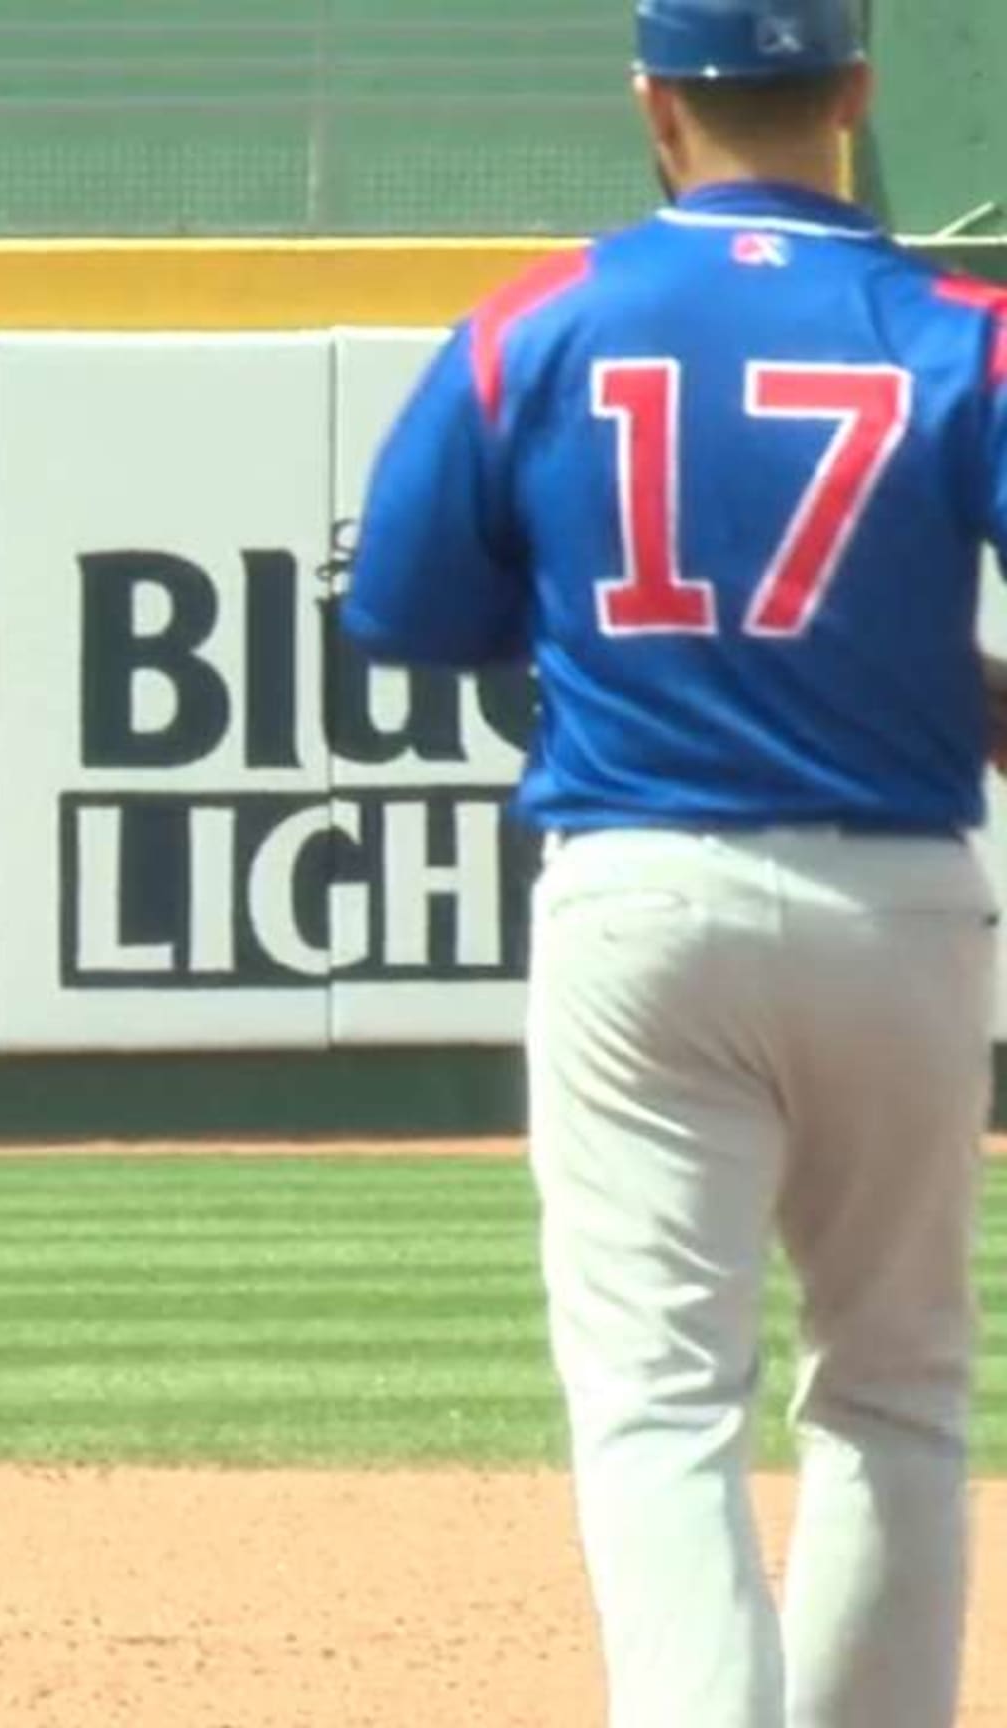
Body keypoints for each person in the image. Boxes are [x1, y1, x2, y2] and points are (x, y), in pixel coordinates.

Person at [343, 2, 1007, 1722]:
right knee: (895, 1390)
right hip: (898, 899)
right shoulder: (963, 329)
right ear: (854, 93)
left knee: (660, 1403)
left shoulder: (538, 322)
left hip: (638, 888)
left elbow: (403, 610)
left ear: (654, 103)